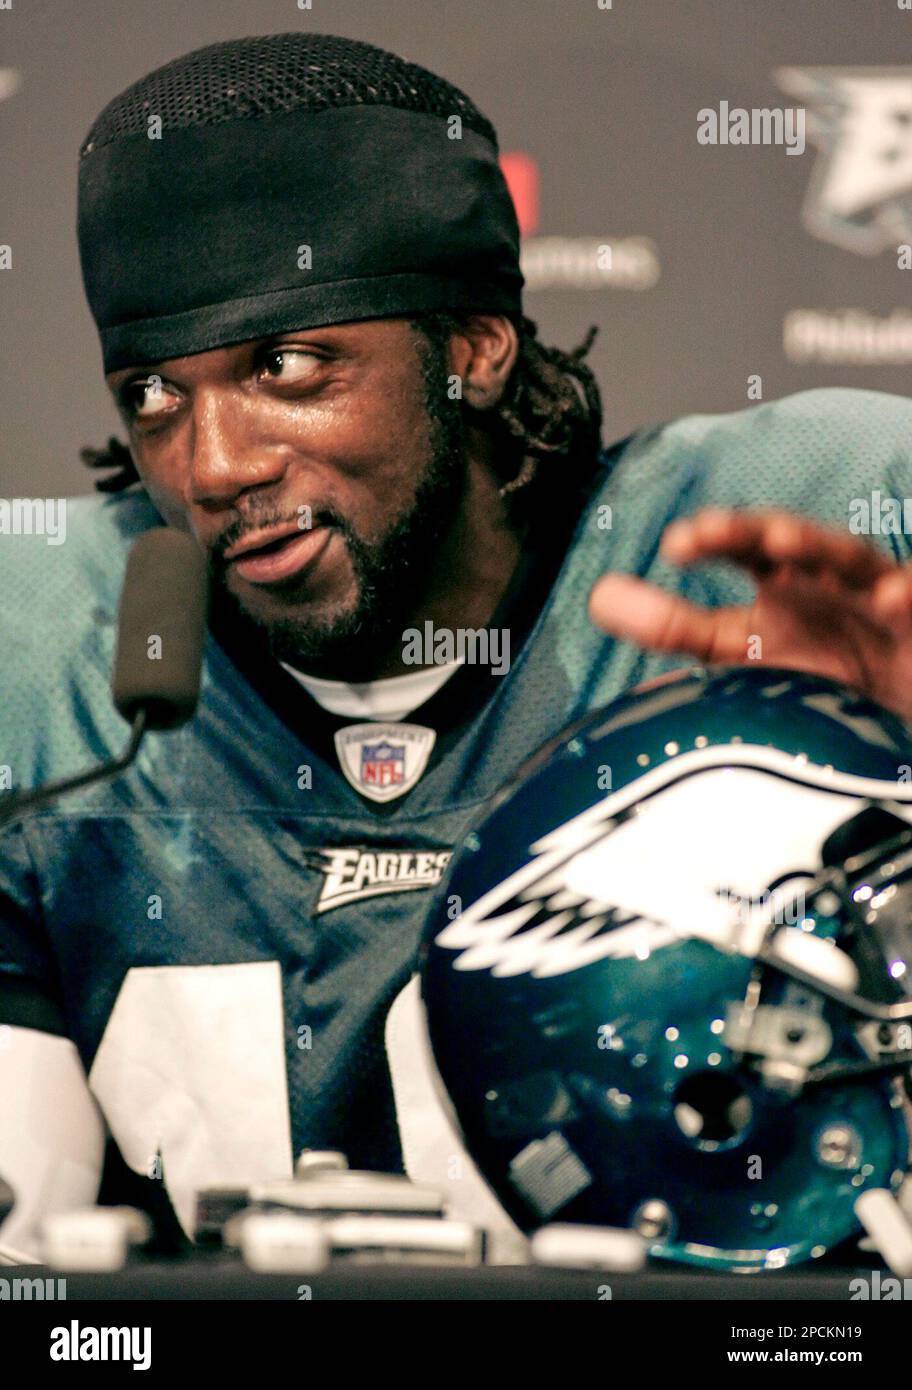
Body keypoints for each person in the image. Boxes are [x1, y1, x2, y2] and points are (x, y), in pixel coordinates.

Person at [2, 30, 912, 1258]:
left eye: (288, 363)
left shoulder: (808, 531)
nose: (213, 465)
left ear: (473, 348)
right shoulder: (48, 656)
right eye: (154, 395)